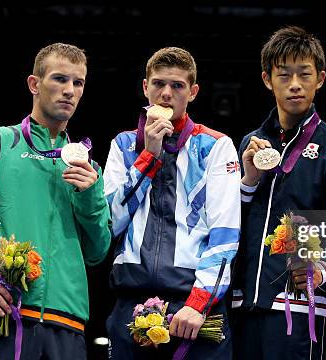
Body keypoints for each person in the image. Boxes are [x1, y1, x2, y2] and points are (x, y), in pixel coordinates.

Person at [0, 43, 112, 359]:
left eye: (78, 83)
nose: (69, 91)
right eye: (59, 79)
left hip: (67, 323)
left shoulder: (87, 168)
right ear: (35, 84)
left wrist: (90, 197)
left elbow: (97, 251)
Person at [230, 26, 326, 359]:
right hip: (245, 303)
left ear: (321, 78)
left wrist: (322, 272)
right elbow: (230, 224)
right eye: (284, 75)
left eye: (304, 74)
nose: (295, 84)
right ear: (266, 79)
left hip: (300, 306)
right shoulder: (251, 144)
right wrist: (248, 182)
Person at [103, 47, 240, 359]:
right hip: (130, 300)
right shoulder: (123, 145)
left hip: (192, 307)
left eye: (177, 86)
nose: (166, 94)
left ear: (192, 92)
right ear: (145, 88)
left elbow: (225, 233)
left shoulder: (216, 147)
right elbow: (109, 223)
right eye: (158, 84)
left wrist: (198, 303)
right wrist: (148, 155)